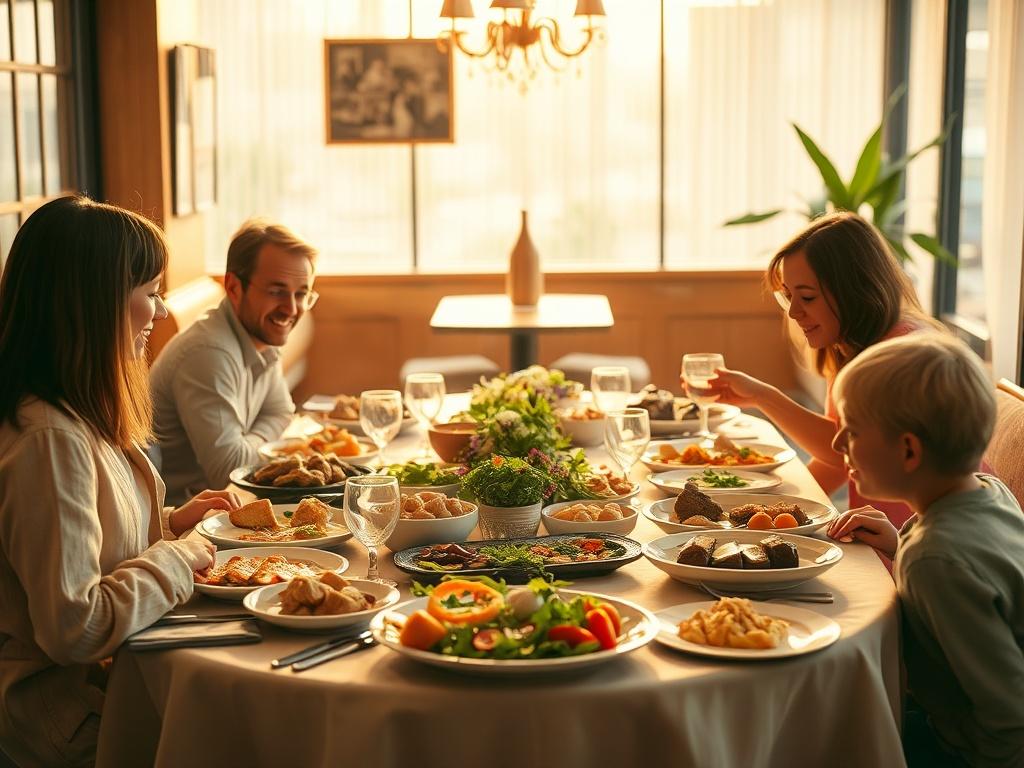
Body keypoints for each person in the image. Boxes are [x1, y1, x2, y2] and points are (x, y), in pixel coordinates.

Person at [0, 196, 238, 767]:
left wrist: (167, 524)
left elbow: (85, 549)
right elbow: (74, 629)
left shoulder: (78, 409)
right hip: (68, 721)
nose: (159, 312)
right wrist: (181, 557)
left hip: (111, 685)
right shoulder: (50, 438)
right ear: (95, 301)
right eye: (151, 292)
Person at [824, 334, 1024, 767]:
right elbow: (977, 570)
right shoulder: (992, 492)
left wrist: (918, 554)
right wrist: (901, 543)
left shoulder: (935, 560)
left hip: (971, 750)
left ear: (909, 450)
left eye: (852, 430)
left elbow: (1010, 717)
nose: (838, 444)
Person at [701, 212, 941, 530]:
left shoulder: (900, 356)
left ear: (853, 290)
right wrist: (775, 511)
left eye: (808, 297)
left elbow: (845, 452)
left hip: (916, 536)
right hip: (878, 528)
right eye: (788, 296)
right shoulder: (848, 345)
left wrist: (763, 396)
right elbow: (837, 461)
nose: (795, 312)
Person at [150, 219, 318, 504]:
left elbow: (281, 411)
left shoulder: (260, 335)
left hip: (224, 508)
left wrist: (250, 444)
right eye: (276, 291)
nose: (291, 309)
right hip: (182, 524)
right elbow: (230, 470)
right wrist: (267, 447)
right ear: (234, 287)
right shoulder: (208, 352)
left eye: (301, 294)